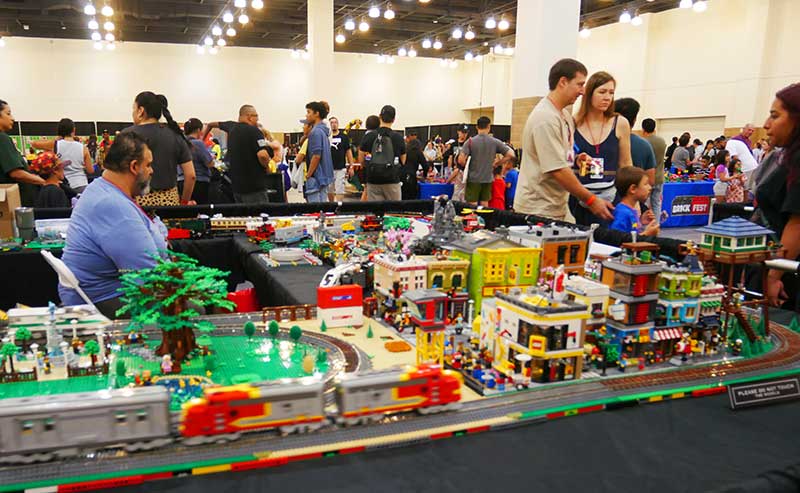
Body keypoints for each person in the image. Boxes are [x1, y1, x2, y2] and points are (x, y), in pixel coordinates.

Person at [59, 132, 167, 319]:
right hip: (106, 300)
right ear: (134, 167)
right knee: (194, 308)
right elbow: (148, 276)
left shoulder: (102, 189)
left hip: (105, 293)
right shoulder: (112, 205)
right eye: (148, 165)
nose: (152, 171)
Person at [514, 59, 614, 222]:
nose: (582, 91)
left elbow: (561, 156)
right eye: (579, 84)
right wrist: (591, 200)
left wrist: (576, 158)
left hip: (558, 205)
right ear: (563, 82)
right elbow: (557, 169)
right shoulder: (545, 118)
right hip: (538, 208)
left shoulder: (565, 116)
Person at [756, 83, 800, 307]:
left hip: (789, 273)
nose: (766, 124)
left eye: (775, 116)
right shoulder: (785, 157)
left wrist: (775, 276)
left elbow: (797, 223)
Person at [572, 71, 633, 226]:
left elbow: (626, 165)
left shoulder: (620, 123)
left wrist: (632, 201)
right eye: (602, 92)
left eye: (611, 93)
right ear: (589, 93)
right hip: (577, 199)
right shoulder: (573, 123)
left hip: (610, 200)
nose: (607, 97)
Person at [124, 92, 194, 206]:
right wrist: (184, 202)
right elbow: (191, 175)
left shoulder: (126, 135)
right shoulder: (175, 135)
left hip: (136, 204)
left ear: (141, 110)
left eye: (134, 108)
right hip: (169, 203)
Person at [204, 105, 273, 203]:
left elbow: (210, 124)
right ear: (249, 116)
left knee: (243, 216)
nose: (257, 120)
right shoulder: (255, 131)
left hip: (237, 188)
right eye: (256, 116)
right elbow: (262, 155)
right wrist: (267, 168)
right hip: (254, 188)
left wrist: (203, 140)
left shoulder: (231, 127)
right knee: (259, 216)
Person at [458, 116, 516, 206]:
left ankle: (473, 220)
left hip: (473, 178)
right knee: (485, 204)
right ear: (489, 127)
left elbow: (460, 160)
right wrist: (497, 163)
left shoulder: (470, 142)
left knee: (472, 205)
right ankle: (484, 219)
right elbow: (511, 154)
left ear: (477, 127)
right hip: (488, 178)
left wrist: (467, 166)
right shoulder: (495, 142)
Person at [0, 99, 45, 206]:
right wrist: (42, 181)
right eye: (8, 114)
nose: (13, 118)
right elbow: (16, 173)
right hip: (17, 201)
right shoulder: (3, 139)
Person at [32, 118, 94, 193]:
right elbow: (90, 171)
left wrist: (56, 139)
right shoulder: (84, 148)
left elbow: (34, 144)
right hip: (81, 184)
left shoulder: (55, 144)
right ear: (74, 130)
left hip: (62, 186)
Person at [359, 105, 406, 201]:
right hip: (392, 180)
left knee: (376, 212)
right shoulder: (398, 137)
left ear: (380, 117)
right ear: (394, 119)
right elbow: (403, 160)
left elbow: (361, 160)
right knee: (393, 211)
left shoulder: (369, 136)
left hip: (373, 180)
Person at [614, 98, 656, 187]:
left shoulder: (604, 141)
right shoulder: (644, 145)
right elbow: (651, 180)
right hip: (634, 197)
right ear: (634, 120)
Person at [609, 166, 659, 236]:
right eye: (645, 184)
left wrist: (640, 221)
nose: (650, 188)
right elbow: (616, 238)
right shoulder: (623, 213)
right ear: (633, 189)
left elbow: (631, 231)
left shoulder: (629, 211)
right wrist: (646, 234)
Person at [304, 101, 334, 203]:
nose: (306, 115)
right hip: (324, 176)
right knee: (322, 209)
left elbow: (316, 156)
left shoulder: (315, 132)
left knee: (315, 210)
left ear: (316, 113)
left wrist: (308, 175)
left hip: (317, 177)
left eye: (308, 112)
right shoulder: (323, 131)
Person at [180, 118, 214, 204]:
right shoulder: (198, 144)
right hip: (199, 182)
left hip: (181, 181)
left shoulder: (180, 142)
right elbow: (209, 163)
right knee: (201, 211)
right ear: (198, 130)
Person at [641, 118, 667, 217]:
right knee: (657, 204)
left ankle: (645, 228)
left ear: (643, 129)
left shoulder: (643, 142)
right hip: (659, 177)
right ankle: (655, 226)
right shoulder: (662, 141)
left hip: (646, 178)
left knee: (643, 204)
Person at [329, 116, 354, 201]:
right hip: (329, 168)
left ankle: (339, 206)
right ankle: (331, 207)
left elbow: (348, 152)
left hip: (340, 168)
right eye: (331, 123)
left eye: (335, 122)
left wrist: (351, 166)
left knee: (340, 189)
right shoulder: (326, 137)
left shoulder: (344, 137)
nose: (334, 125)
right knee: (329, 189)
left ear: (338, 124)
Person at [358, 114, 381, 201]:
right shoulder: (381, 135)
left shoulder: (367, 136)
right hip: (382, 167)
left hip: (369, 167)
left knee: (367, 189)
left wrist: (363, 164)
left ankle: (362, 210)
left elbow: (361, 154)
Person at [402, 134, 426, 200]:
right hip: (412, 175)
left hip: (402, 174)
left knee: (403, 195)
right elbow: (425, 165)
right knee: (412, 196)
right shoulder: (418, 152)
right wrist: (425, 175)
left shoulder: (405, 151)